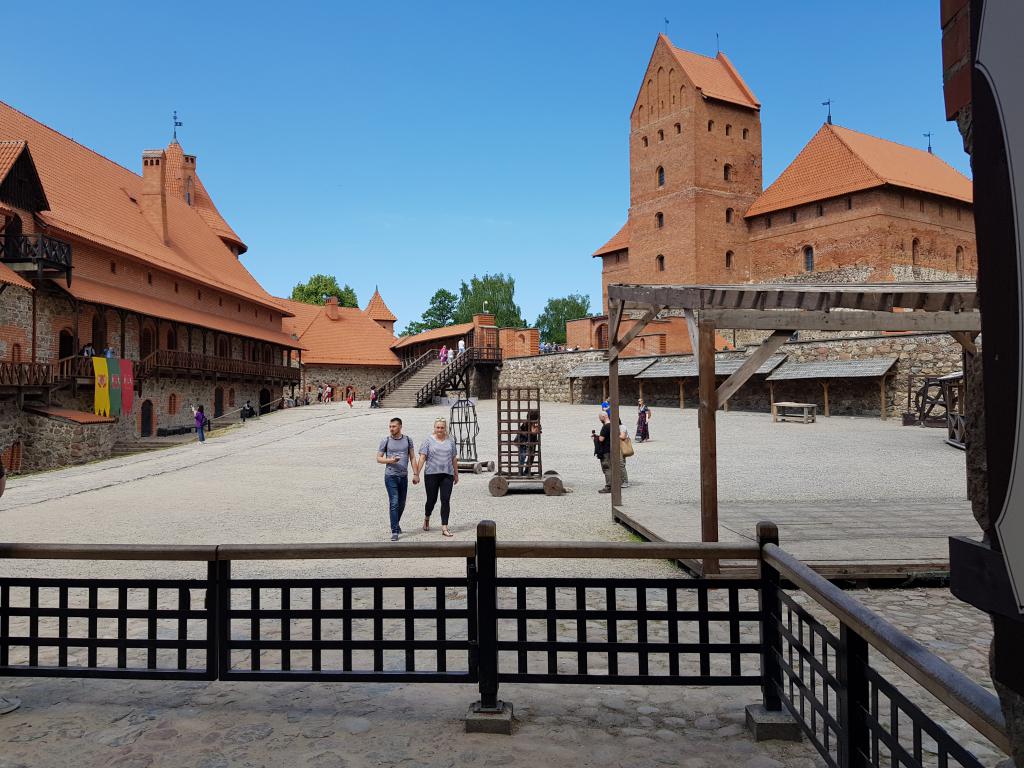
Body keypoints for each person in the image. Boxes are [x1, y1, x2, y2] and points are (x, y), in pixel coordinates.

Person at [377, 417, 418, 541]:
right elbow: (378, 458)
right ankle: (394, 530)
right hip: (390, 476)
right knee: (394, 502)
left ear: (400, 426)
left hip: (403, 476)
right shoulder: (386, 440)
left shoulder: (407, 440)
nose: (391, 429)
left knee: (402, 503)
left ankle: (396, 523)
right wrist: (390, 460)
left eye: (394, 426)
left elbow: (412, 457)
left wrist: (416, 474)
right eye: (390, 426)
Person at [418, 418, 459, 537]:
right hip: (431, 474)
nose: (440, 430)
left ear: (445, 428)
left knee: (445, 500)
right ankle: (427, 517)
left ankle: (444, 527)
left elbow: (454, 458)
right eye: (438, 427)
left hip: (447, 474)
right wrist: (417, 473)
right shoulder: (428, 441)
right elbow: (422, 458)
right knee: (432, 499)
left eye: (442, 427)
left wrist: (456, 474)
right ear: (434, 428)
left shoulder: (450, 441)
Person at [593, 412, 629, 493]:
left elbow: (601, 439)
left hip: (606, 450)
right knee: (613, 467)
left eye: (600, 418)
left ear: (603, 416)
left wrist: (595, 438)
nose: (599, 420)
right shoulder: (614, 426)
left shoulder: (605, 427)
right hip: (613, 449)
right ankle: (617, 483)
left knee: (607, 468)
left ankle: (609, 486)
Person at [515, 409, 541, 476]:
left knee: (530, 457)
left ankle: (526, 471)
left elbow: (535, 432)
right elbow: (523, 432)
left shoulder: (535, 423)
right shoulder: (526, 423)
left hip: (531, 443)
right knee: (523, 456)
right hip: (523, 442)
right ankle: (521, 472)